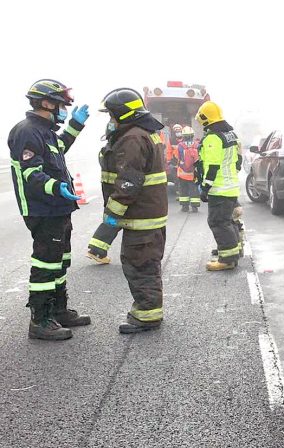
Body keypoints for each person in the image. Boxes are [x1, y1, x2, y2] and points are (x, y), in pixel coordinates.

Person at [7, 79, 91, 340]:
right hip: (42, 209)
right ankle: (40, 320)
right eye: (62, 105)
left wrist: (75, 125)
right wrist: (57, 188)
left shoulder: (45, 132)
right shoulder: (27, 131)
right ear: (46, 103)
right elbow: (31, 172)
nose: (64, 109)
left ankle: (58, 310)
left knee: (59, 260)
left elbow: (61, 147)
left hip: (57, 208)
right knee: (45, 263)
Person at [99, 88, 169, 334]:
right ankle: (148, 311)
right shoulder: (144, 134)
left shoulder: (132, 139)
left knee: (140, 265)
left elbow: (128, 182)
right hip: (147, 215)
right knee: (145, 263)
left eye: (111, 115)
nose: (110, 120)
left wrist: (109, 221)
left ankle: (147, 316)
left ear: (122, 114)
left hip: (141, 217)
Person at [195, 101, 242, 271]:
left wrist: (205, 187)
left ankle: (227, 259)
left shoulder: (213, 138)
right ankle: (233, 252)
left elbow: (213, 165)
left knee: (218, 222)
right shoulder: (230, 135)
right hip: (230, 186)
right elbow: (238, 160)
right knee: (227, 221)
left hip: (219, 188)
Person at [176, 126, 201, 212]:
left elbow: (178, 158)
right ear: (192, 135)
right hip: (194, 173)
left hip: (182, 173)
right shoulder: (197, 145)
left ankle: (184, 207)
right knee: (194, 190)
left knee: (183, 190)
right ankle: (195, 207)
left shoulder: (180, 145)